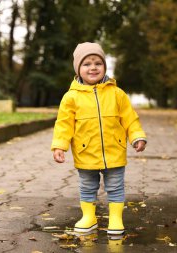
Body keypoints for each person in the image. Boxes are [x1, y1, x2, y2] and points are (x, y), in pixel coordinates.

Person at [51, 42, 147, 235]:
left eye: (97, 63)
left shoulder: (117, 94)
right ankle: (89, 217)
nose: (93, 67)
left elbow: (130, 118)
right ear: (78, 69)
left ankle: (115, 218)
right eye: (86, 64)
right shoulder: (71, 97)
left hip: (114, 150)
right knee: (87, 186)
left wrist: (136, 136)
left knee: (115, 186)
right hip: (86, 152)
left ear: (104, 66)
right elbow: (64, 124)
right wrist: (59, 146)